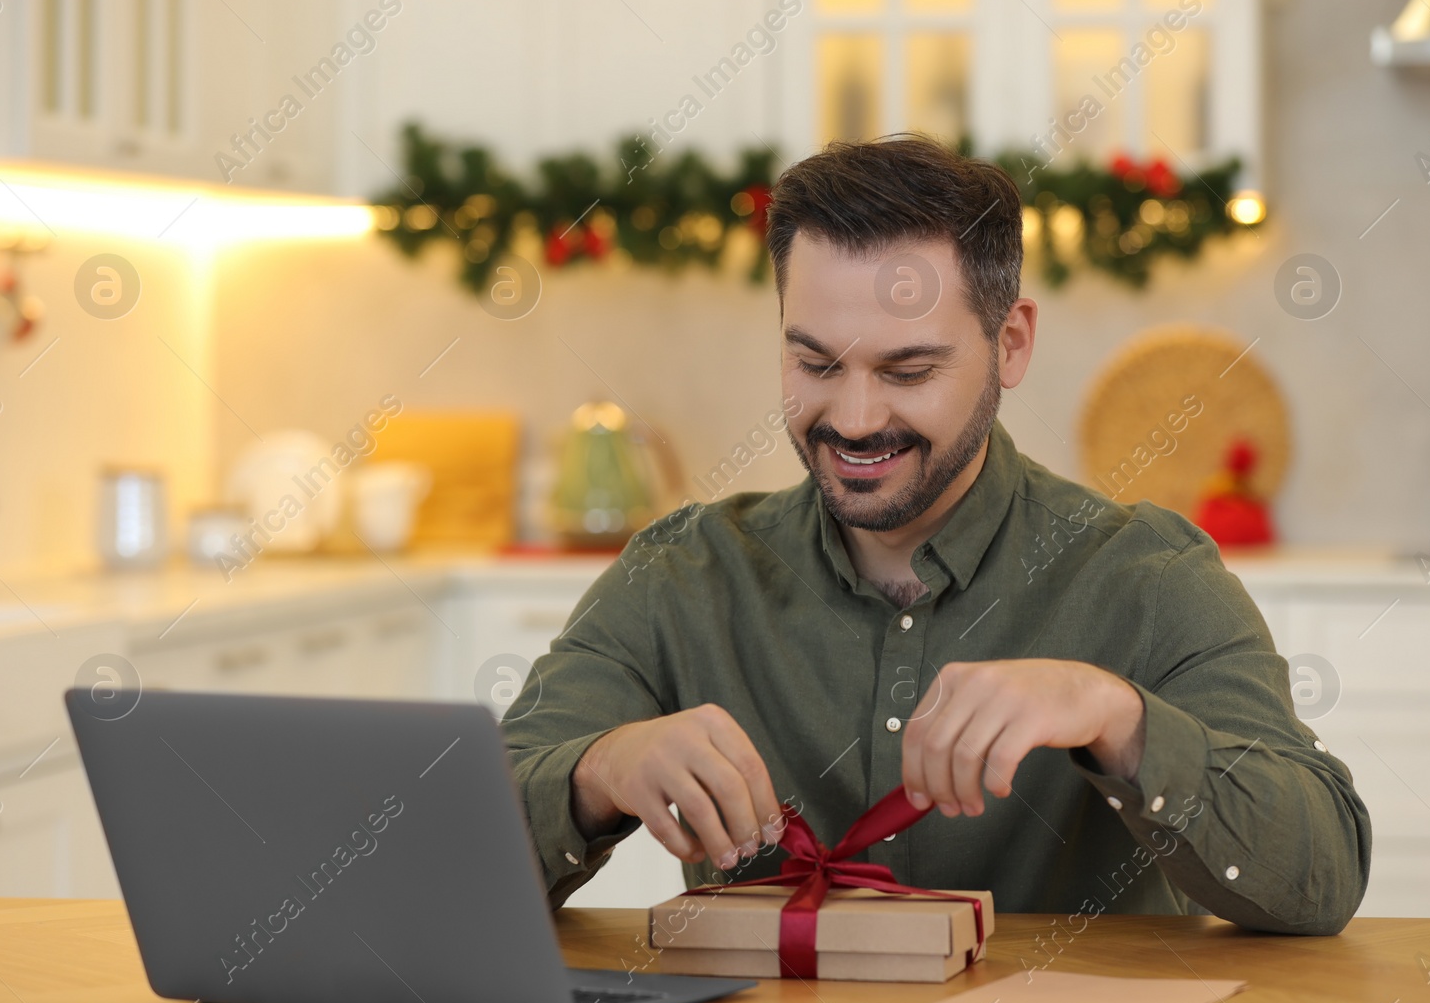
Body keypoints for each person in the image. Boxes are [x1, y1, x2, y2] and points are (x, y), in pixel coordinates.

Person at [503, 134, 1370, 934]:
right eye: (815, 363)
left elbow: (1323, 872)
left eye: (907, 368)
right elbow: (426, 856)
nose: (854, 415)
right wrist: (596, 771)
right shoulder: (681, 575)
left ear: (1011, 342)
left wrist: (1117, 716)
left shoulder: (1149, 576)